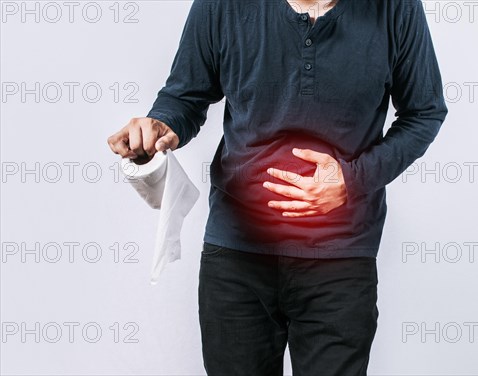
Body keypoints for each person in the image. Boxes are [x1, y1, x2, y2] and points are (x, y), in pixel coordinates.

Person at [107, 0, 448, 374]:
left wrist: (352, 179)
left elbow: (425, 111)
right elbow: (185, 96)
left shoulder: (395, 8)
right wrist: (161, 125)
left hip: (341, 258)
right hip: (237, 257)